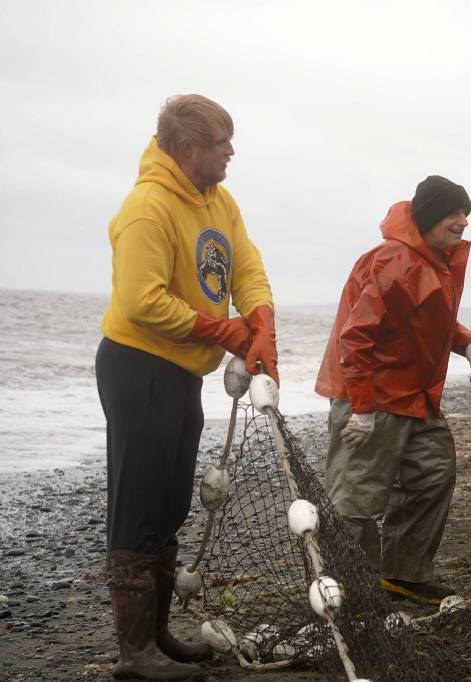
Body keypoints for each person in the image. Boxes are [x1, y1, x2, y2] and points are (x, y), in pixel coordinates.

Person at [96, 94, 277, 681]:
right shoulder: (147, 208)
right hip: (137, 365)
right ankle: (133, 653)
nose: (231, 151)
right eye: (222, 142)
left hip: (180, 373)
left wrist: (259, 318)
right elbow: (140, 300)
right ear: (187, 148)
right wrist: (221, 327)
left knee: (171, 502)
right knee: (138, 502)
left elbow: (245, 265)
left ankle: (157, 635)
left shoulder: (219, 201)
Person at [315, 175, 471, 606]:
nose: (463, 221)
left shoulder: (435, 259)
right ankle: (347, 593)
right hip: (371, 397)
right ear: (430, 216)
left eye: (465, 212)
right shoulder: (396, 260)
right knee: (357, 498)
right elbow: (355, 340)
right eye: (454, 213)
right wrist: (360, 408)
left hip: (415, 396)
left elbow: (427, 319)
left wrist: (467, 342)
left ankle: (403, 574)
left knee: (433, 474)